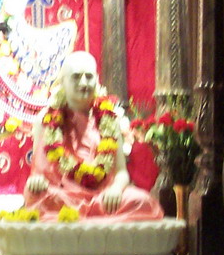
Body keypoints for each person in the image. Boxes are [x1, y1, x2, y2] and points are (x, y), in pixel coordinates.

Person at [24, 51, 162, 222]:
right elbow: (37, 173)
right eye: (76, 77)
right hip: (63, 196)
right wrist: (37, 181)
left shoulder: (110, 119)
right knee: (36, 195)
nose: (83, 83)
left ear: (96, 80)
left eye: (89, 77)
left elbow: (121, 173)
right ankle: (95, 222)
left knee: (143, 202)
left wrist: (116, 190)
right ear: (63, 82)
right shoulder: (45, 121)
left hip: (104, 197)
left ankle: (85, 220)